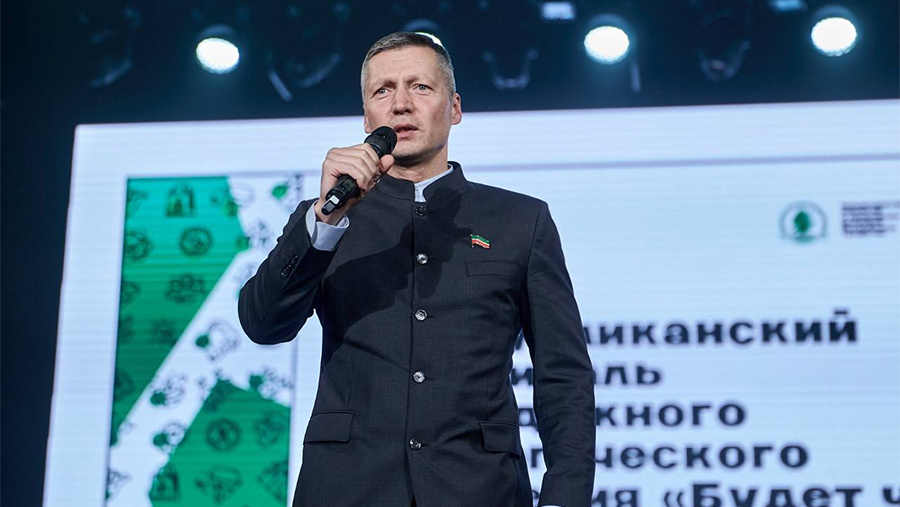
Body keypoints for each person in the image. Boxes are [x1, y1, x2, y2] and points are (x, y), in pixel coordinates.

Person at [238, 32, 595, 507]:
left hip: (480, 489)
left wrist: (564, 497)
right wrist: (325, 221)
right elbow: (263, 325)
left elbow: (563, 375)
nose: (401, 104)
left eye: (420, 87)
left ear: (455, 108)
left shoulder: (520, 221)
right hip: (347, 489)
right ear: (367, 117)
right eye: (383, 90)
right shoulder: (326, 216)